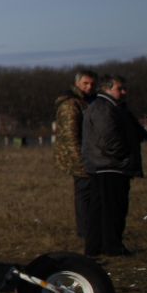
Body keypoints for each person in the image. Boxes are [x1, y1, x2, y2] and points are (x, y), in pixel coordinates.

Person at [80, 73, 147, 258]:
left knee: (102, 209)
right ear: (107, 88)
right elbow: (108, 139)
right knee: (112, 210)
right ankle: (111, 246)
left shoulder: (114, 107)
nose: (124, 92)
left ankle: (97, 247)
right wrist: (124, 154)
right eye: (120, 88)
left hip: (107, 165)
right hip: (109, 166)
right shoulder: (103, 108)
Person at [54, 66, 97, 250]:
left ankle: (90, 229)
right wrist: (80, 160)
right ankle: (85, 230)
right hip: (80, 157)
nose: (89, 87)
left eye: (92, 84)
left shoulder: (86, 102)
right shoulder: (71, 104)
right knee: (84, 196)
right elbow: (70, 136)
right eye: (85, 83)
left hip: (89, 156)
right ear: (77, 83)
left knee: (90, 196)